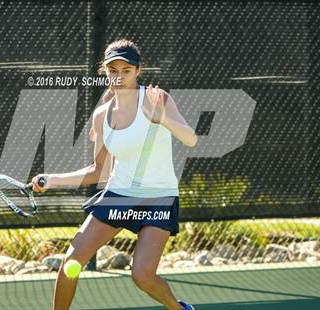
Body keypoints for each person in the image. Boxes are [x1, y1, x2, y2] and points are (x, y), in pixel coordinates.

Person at [32, 39, 198, 310]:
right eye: (113, 70)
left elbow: (191, 139)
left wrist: (162, 119)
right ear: (105, 72)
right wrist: (52, 180)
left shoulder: (158, 99)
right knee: (70, 263)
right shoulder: (102, 116)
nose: (119, 77)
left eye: (126, 70)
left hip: (158, 198)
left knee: (142, 275)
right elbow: (99, 171)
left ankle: (179, 309)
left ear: (138, 71)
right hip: (119, 195)